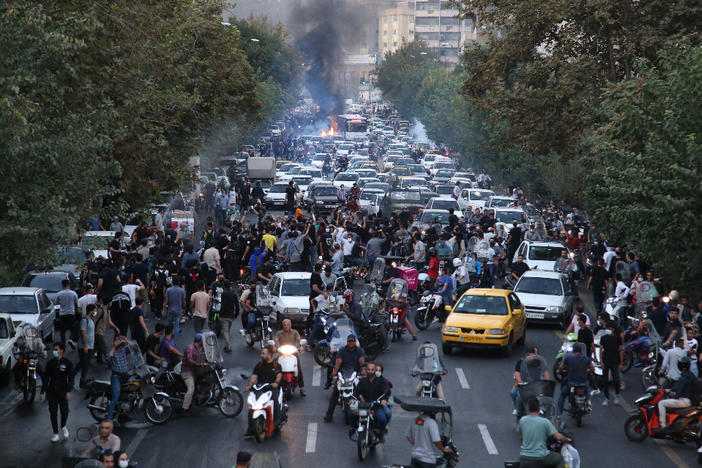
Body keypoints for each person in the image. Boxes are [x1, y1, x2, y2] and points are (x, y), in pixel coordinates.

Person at [518, 397, 572, 468]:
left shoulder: (522, 420)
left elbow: (521, 439)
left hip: (524, 456)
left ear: (528, 409)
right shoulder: (545, 422)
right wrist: (567, 440)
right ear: (539, 408)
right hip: (540, 457)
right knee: (560, 459)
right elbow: (558, 436)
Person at [325, 334, 366, 421]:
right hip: (343, 374)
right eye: (349, 341)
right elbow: (338, 362)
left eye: (352, 341)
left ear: (355, 342)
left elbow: (362, 363)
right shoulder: (342, 350)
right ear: (347, 342)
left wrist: (363, 373)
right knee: (335, 394)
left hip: (355, 374)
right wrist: (334, 373)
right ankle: (329, 415)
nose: (351, 343)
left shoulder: (360, 351)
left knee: (361, 393)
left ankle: (364, 414)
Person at [39, 342, 73, 442]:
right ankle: (55, 433)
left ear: (61, 350)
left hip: (63, 391)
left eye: (56, 349)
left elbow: (70, 378)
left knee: (65, 411)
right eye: (53, 349)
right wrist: (42, 392)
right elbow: (46, 379)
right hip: (52, 392)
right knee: (53, 413)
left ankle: (63, 425)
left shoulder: (67, 363)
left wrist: (69, 391)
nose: (54, 351)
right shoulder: (50, 364)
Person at [655, 356, 696, 433]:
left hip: (684, 401)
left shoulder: (683, 377)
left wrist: (670, 393)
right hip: (690, 400)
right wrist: (671, 389)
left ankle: (663, 426)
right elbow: (680, 387)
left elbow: (678, 393)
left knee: (661, 403)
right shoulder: (691, 375)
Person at [245, 346, 282, 430]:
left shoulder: (276, 365)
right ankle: (250, 428)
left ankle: (276, 422)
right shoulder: (259, 365)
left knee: (275, 400)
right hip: (260, 388)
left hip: (271, 389)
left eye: (263, 353)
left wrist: (275, 383)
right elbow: (254, 376)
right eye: (261, 353)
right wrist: (249, 385)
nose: (261, 355)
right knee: (252, 404)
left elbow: (279, 376)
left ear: (269, 355)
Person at [353, 362, 391, 442]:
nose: (370, 371)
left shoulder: (381, 381)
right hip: (363, 406)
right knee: (351, 414)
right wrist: (352, 399)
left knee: (382, 419)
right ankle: (353, 429)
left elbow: (386, 391)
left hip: (376, 407)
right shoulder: (362, 381)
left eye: (372, 370)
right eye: (369, 370)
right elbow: (356, 392)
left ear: (375, 371)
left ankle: (381, 435)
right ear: (366, 370)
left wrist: (384, 399)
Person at [556, 342, 595, 414]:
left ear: (573, 350)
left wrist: (559, 371)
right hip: (583, 383)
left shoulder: (568, 357)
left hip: (571, 384)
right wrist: (586, 371)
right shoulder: (586, 358)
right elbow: (592, 369)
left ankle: (558, 415)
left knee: (562, 395)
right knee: (587, 390)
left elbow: (561, 367)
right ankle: (588, 401)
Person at [511, 346, 551, 416]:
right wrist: (520, 382)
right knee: (515, 394)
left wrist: (546, 383)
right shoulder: (521, 362)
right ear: (526, 355)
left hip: (536, 385)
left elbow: (546, 373)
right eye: (529, 355)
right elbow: (517, 373)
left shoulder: (539, 362)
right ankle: (517, 410)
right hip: (524, 386)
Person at [107, 335, 137, 420]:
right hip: (116, 377)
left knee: (127, 395)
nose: (120, 341)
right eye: (118, 340)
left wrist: (126, 340)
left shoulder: (124, 350)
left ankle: (124, 415)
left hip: (125, 376)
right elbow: (108, 358)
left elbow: (135, 347)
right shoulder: (113, 352)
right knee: (115, 397)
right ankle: (109, 419)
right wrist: (114, 346)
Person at [274, 319, 306, 396]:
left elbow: (299, 339)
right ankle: (274, 385)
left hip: (293, 353)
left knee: (298, 369)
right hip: (282, 353)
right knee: (275, 367)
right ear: (282, 325)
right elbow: (276, 340)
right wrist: (275, 346)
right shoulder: (279, 333)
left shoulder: (294, 332)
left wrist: (301, 346)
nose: (286, 326)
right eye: (285, 325)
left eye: (288, 324)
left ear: (290, 325)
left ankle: (302, 388)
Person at [597, 320, 623, 405]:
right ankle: (606, 398)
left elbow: (620, 350)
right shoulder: (603, 338)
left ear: (612, 329)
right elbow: (601, 350)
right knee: (605, 380)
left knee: (616, 379)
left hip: (615, 361)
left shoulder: (617, 338)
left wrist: (621, 363)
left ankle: (617, 395)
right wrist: (601, 362)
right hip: (606, 360)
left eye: (608, 328)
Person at [182, 333, 208, 412]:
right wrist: (198, 364)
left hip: (196, 370)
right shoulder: (190, 348)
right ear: (199, 341)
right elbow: (189, 359)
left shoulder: (200, 348)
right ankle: (185, 408)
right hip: (187, 371)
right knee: (191, 389)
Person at [75, 303, 97, 386]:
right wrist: (85, 345)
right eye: (94, 310)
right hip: (84, 346)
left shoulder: (91, 320)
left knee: (85, 363)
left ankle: (82, 379)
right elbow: (83, 333)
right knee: (83, 363)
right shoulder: (85, 320)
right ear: (91, 311)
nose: (95, 311)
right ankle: (78, 377)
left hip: (90, 346)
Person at [56, 279, 79, 347]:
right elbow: (76, 303)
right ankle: (71, 339)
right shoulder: (73, 293)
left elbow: (57, 303)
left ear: (62, 285)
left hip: (62, 314)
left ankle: (63, 344)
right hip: (71, 313)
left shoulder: (59, 294)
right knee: (73, 328)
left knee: (62, 330)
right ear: (68, 284)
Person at [219, 280, 239, 354]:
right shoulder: (233, 294)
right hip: (231, 315)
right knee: (228, 331)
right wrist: (236, 314)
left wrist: (220, 315)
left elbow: (223, 305)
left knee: (225, 332)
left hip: (225, 315)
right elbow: (237, 305)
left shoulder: (224, 294)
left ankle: (228, 346)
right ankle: (227, 345)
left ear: (224, 286)